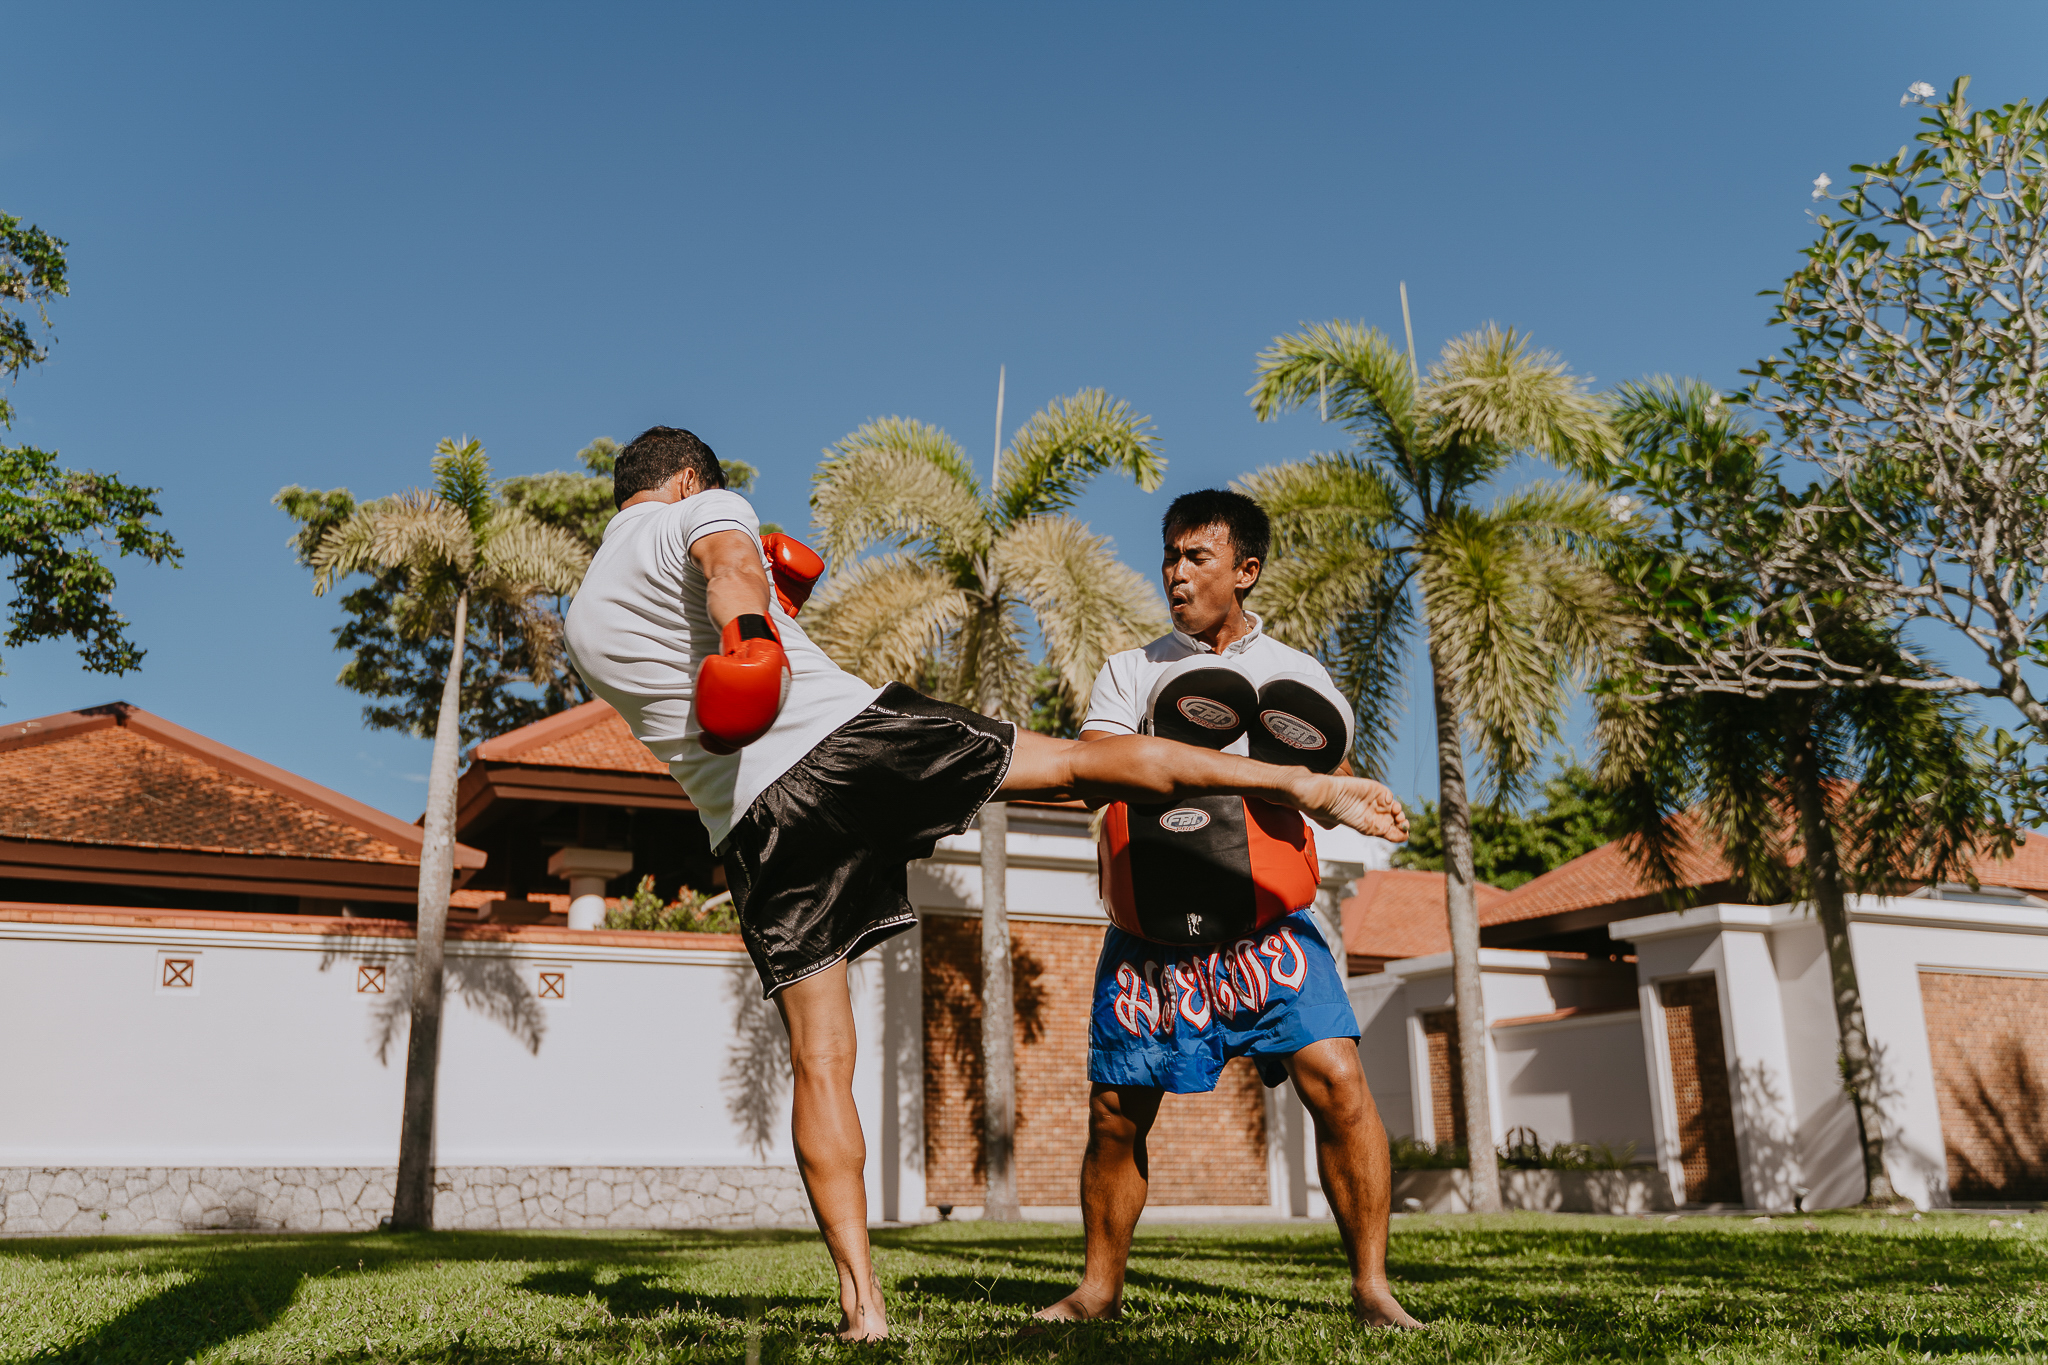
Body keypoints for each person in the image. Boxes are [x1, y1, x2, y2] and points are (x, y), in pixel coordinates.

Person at [564, 431, 1411, 1342]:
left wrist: (771, 621)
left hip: (752, 823)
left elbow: (683, 684)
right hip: (846, 742)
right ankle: (1304, 786)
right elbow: (730, 562)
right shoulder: (703, 509)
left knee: (820, 1060)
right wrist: (755, 633)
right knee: (1080, 765)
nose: (1172, 569)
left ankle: (863, 1308)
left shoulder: (581, 623)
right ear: (688, 479)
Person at [1034, 489, 1421, 1330]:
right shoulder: (1132, 670)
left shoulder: (1296, 675)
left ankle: (1372, 1287)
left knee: (1340, 1081)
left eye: (1196, 557)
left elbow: (1327, 782)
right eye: (1169, 555)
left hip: (1269, 927)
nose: (1175, 572)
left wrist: (1351, 798)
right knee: (1115, 1114)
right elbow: (1093, 771)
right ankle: (1098, 1290)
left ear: (1245, 570)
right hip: (1152, 932)